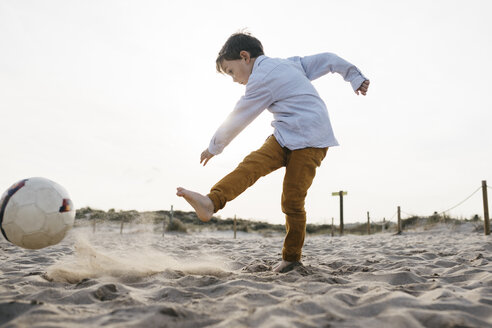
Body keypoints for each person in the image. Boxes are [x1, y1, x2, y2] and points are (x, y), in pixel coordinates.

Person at [177, 31, 369, 272]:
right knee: (251, 165)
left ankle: (291, 259)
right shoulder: (291, 64)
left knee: (292, 199)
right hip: (284, 136)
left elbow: (239, 116)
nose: (234, 79)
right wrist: (354, 76)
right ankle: (211, 202)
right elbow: (328, 59)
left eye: (231, 71)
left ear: (245, 57)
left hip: (311, 141)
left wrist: (213, 147)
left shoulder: (261, 79)